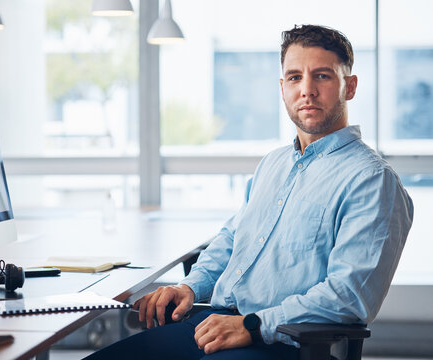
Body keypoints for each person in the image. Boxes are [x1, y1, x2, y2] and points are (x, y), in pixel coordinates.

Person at [85, 24, 414, 360]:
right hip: (214, 325)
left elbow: (348, 296)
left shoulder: (372, 180)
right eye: (294, 77)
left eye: (323, 76)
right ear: (282, 87)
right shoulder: (273, 164)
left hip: (282, 344)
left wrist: (253, 325)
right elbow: (230, 242)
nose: (307, 90)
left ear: (350, 86)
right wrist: (189, 286)